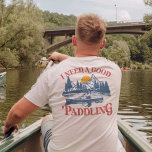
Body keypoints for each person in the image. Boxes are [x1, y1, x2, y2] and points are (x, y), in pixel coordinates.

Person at [4, 13, 125, 152]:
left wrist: (8, 125)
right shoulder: (114, 70)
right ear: (103, 44)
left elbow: (17, 114)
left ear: (73, 40)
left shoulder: (52, 73)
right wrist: (63, 57)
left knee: (47, 119)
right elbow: (85, 64)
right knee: (117, 134)